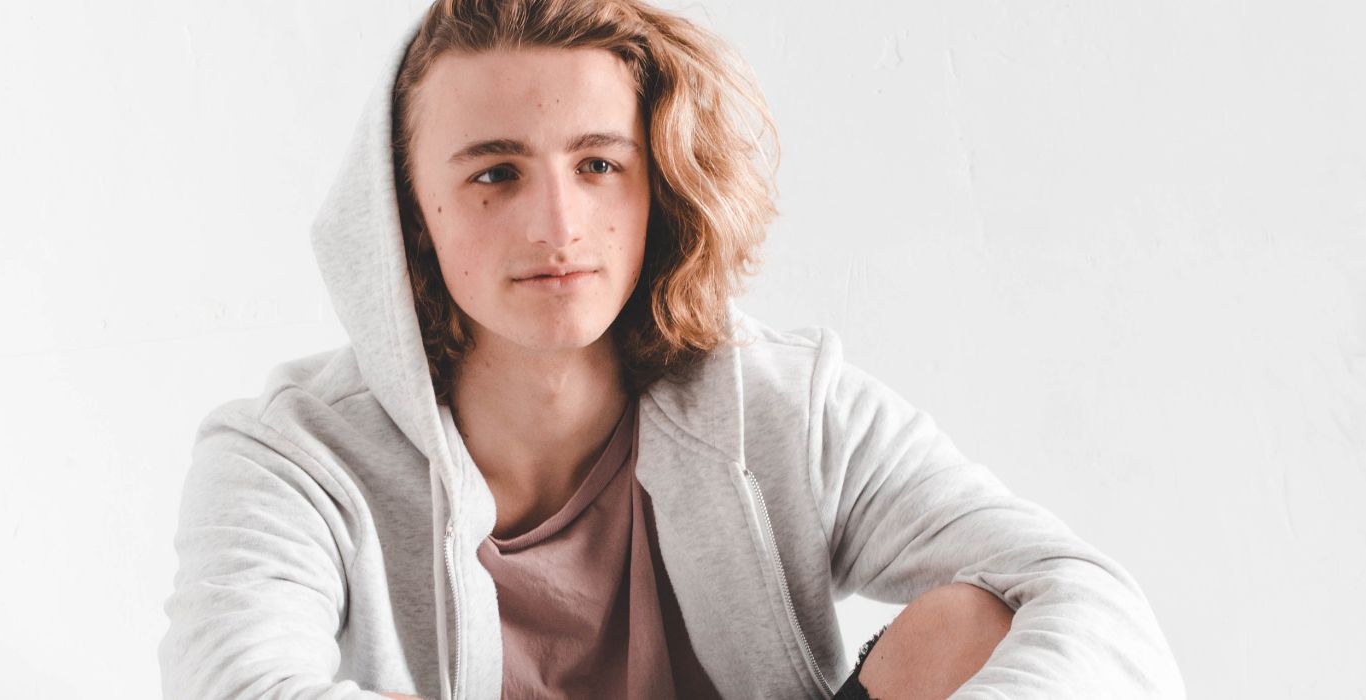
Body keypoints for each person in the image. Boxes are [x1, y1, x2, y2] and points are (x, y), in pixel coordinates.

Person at [157, 0, 1186, 698]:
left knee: (973, 622)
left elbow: (1085, 597)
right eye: (494, 174)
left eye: (597, 164)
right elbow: (240, 686)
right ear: (404, 213)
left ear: (656, 179)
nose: (557, 225)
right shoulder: (289, 459)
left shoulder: (782, 407)